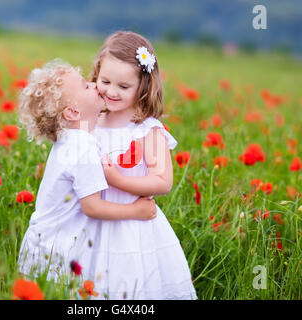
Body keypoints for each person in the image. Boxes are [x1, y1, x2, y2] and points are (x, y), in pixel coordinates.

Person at [16, 59, 157, 284]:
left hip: (40, 245)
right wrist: (135, 210)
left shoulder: (70, 141)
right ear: (72, 112)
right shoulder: (82, 147)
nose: (94, 85)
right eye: (85, 86)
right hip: (55, 253)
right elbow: (92, 206)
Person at [89, 31, 198, 300]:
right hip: (92, 215)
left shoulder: (146, 129)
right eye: (105, 81)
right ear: (96, 75)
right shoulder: (91, 119)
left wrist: (118, 180)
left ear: (143, 86)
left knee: (129, 284)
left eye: (123, 87)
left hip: (133, 222)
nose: (111, 92)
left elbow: (163, 181)